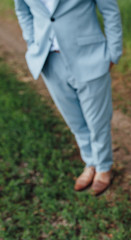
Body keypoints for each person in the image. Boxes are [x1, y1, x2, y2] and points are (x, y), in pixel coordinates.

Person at [14, 0, 123, 195]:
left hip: (90, 55)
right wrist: (32, 43)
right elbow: (23, 10)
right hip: (49, 60)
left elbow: (110, 11)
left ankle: (103, 167)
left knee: (97, 120)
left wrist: (114, 52)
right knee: (74, 120)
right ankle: (90, 163)